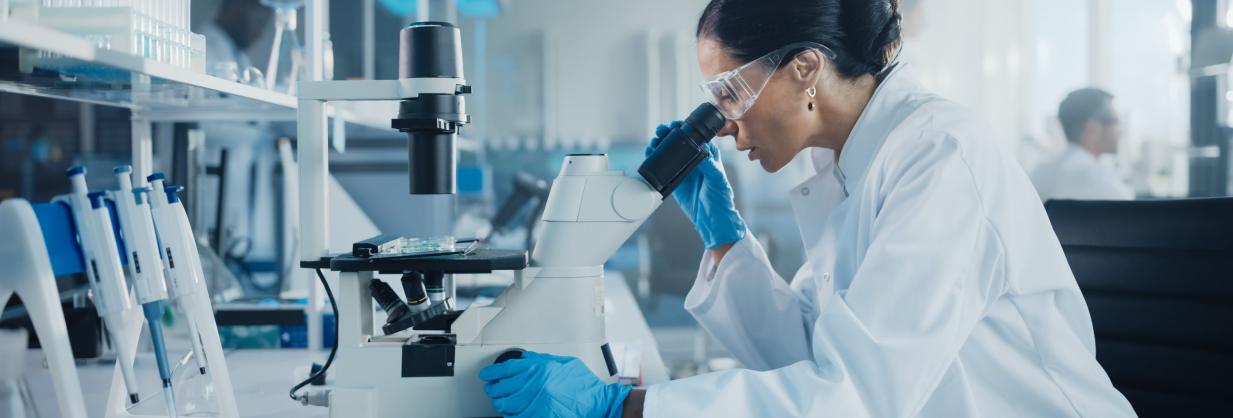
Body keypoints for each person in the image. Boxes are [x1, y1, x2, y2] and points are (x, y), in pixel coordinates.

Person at [479, 0, 1136, 416]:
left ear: (804, 69)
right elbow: (806, 356)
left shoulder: (937, 156)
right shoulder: (844, 165)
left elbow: (854, 396)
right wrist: (722, 239)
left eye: (730, 92)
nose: (726, 124)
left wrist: (623, 409)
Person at [1031, 88, 1134, 201]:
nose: (1120, 131)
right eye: (1115, 121)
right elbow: (1132, 215)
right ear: (1092, 129)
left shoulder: (1038, 175)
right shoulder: (1101, 179)